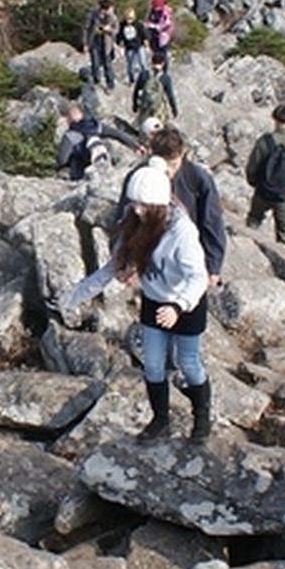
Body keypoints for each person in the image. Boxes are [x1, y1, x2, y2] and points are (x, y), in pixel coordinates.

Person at [65, 158, 211, 440]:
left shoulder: (182, 232)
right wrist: (72, 298)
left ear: (161, 205)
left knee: (188, 363)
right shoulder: (133, 222)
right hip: (155, 303)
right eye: (134, 203)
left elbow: (198, 277)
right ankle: (160, 420)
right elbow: (110, 269)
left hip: (185, 305)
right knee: (153, 364)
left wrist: (178, 306)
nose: (137, 210)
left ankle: (201, 420)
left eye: (144, 206)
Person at [146, 127, 226, 285]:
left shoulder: (197, 178)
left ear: (182, 153)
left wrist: (213, 267)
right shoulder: (141, 178)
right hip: (151, 262)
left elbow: (212, 222)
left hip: (188, 260)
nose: (169, 171)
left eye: (174, 164)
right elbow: (126, 218)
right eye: (164, 164)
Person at [245, 103, 285, 247]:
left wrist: (255, 183)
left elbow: (252, 166)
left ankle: (246, 249)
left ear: (274, 119)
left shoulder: (264, 141)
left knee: (253, 222)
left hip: (262, 191)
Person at [55, 102, 138, 181]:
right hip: (100, 169)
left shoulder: (70, 135)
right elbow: (118, 134)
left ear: (69, 118)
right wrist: (136, 146)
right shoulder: (97, 126)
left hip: (79, 173)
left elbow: (62, 159)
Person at [132, 47, 178, 125]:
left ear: (152, 61)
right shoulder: (165, 78)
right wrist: (174, 109)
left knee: (144, 125)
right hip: (157, 108)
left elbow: (136, 90)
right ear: (163, 63)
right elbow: (170, 96)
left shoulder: (144, 74)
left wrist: (135, 105)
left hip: (144, 106)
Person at [83, 0, 119, 89]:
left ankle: (110, 84)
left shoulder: (113, 17)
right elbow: (86, 29)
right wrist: (85, 43)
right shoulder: (93, 14)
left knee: (108, 64)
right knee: (95, 63)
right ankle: (97, 82)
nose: (112, 10)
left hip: (107, 43)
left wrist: (109, 29)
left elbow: (117, 30)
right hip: (94, 41)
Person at [117, 6, 147, 84]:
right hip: (129, 47)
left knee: (143, 63)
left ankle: (146, 79)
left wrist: (145, 42)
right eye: (127, 18)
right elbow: (120, 36)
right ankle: (132, 80)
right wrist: (120, 44)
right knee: (130, 65)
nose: (129, 20)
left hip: (139, 46)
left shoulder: (138, 24)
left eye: (131, 18)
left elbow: (143, 34)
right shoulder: (122, 25)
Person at [144, 0, 173, 64]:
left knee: (163, 51)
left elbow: (166, 24)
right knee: (155, 50)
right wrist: (148, 24)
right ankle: (156, 63)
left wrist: (153, 26)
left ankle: (163, 65)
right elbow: (149, 19)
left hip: (164, 34)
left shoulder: (166, 13)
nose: (155, 9)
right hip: (154, 33)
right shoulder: (153, 10)